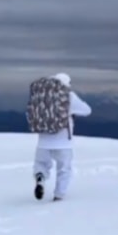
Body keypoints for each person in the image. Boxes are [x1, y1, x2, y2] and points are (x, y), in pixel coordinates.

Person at [33, 72, 92, 201]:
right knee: (64, 169)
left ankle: (40, 178)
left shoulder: (42, 95)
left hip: (43, 141)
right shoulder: (69, 96)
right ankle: (58, 196)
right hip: (63, 142)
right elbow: (87, 110)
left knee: (41, 164)